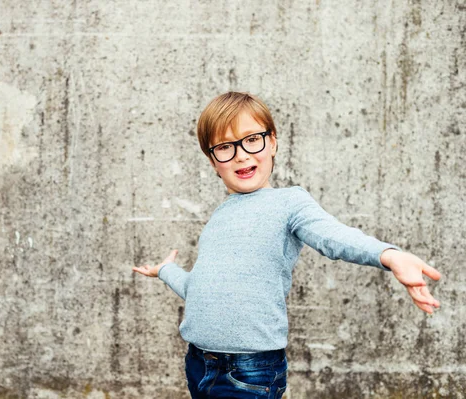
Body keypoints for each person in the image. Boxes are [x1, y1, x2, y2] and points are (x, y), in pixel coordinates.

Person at [132, 92, 441, 399]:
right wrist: (166, 270)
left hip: (250, 370)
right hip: (199, 362)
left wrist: (387, 255)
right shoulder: (219, 216)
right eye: (225, 147)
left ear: (273, 142)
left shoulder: (289, 203)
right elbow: (201, 290)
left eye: (252, 139)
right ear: (213, 162)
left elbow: (333, 236)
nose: (241, 154)